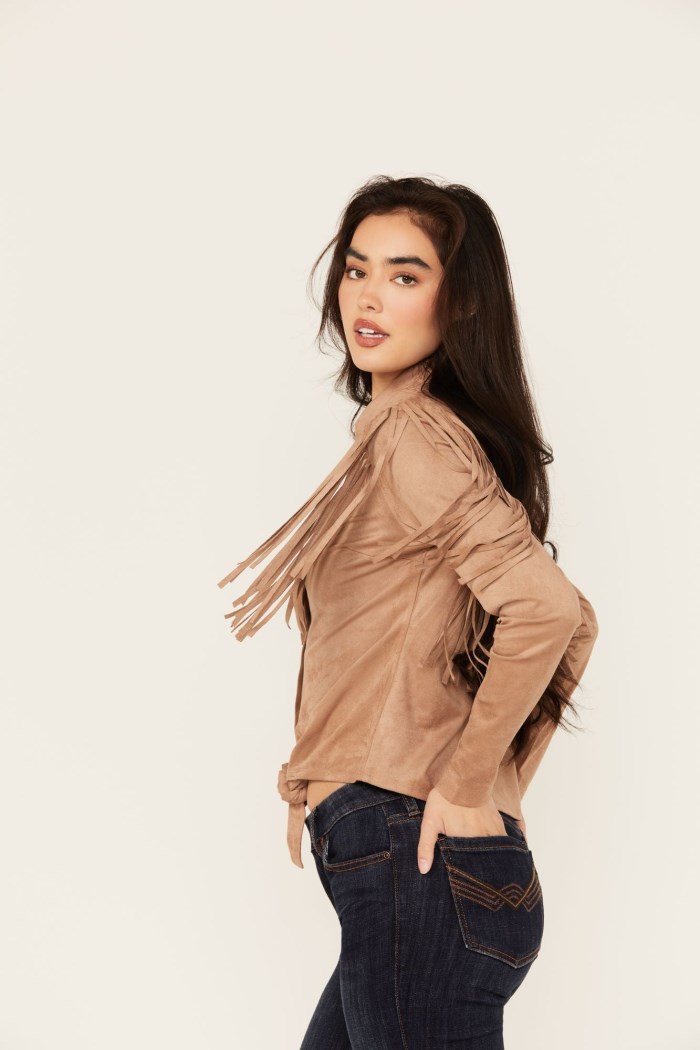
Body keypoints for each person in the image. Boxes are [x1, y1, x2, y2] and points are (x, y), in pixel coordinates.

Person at [217, 175, 599, 1048]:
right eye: (357, 270)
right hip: (424, 874)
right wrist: (488, 795)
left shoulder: (414, 434)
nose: (367, 297)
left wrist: (467, 786)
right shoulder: (410, 433)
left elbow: (547, 611)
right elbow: (574, 620)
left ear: (458, 302)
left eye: (404, 275)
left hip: (412, 865)